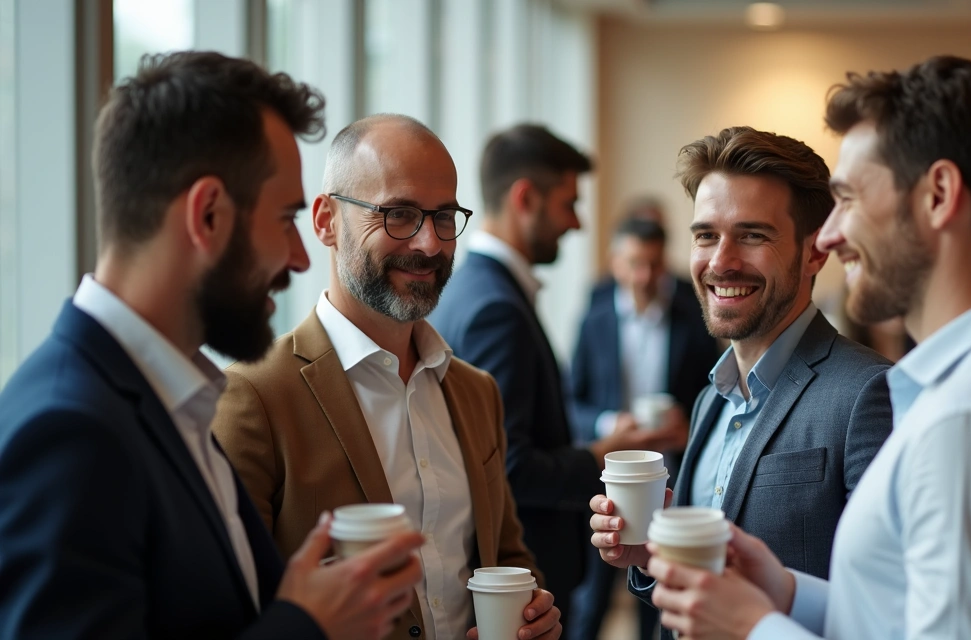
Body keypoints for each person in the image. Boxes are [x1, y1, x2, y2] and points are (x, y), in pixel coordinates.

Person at [643, 55, 971, 640]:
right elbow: (909, 618)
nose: (834, 233)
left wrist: (757, 628)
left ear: (939, 194)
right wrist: (785, 591)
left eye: (849, 198)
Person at [0, 52, 426, 639]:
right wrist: (306, 625)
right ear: (207, 215)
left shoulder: (172, 401)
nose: (301, 258)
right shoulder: (70, 432)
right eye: (284, 220)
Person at [211, 114, 559, 640]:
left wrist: (534, 615)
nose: (429, 243)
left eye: (444, 217)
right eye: (398, 214)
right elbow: (229, 610)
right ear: (326, 221)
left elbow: (506, 557)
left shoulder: (475, 392)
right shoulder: (251, 396)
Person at [588, 125, 894, 639]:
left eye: (752, 235)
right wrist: (651, 556)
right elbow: (701, 590)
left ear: (815, 252)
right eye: (706, 235)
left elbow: (888, 609)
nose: (720, 261)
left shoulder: (869, 393)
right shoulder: (710, 400)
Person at [430, 124, 679, 621]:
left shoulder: (474, 289)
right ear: (526, 198)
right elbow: (509, 465)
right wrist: (599, 456)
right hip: (524, 578)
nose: (578, 223)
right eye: (569, 203)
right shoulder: (495, 308)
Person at [566, 215, 720, 640]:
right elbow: (570, 400)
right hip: (607, 482)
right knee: (590, 604)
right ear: (616, 262)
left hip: (671, 483)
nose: (644, 275)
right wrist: (608, 422)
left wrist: (686, 423)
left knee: (658, 604)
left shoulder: (693, 317)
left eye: (653, 264)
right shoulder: (594, 319)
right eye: (634, 263)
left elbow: (714, 389)